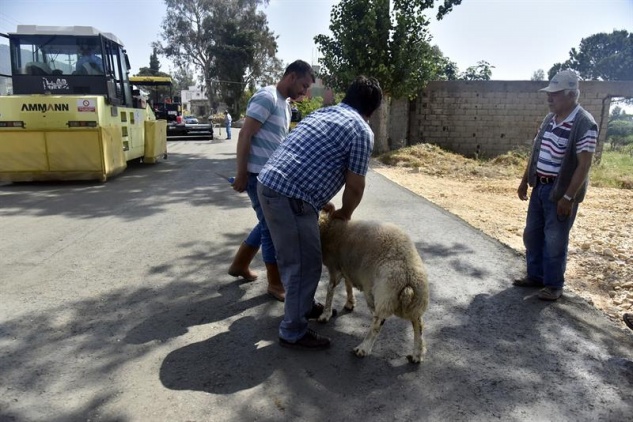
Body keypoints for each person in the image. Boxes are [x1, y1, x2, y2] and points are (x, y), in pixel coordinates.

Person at [257, 75, 383, 350]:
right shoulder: (361, 130)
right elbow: (355, 185)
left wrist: (318, 198)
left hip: (268, 184)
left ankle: (303, 306)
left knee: (295, 259)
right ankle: (292, 330)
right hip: (291, 197)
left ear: (348, 97)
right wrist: (345, 213)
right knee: (305, 264)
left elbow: (306, 156)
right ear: (372, 110)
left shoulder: (324, 113)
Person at [228, 60, 315, 302]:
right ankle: (275, 284)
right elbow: (245, 134)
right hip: (257, 176)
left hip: (272, 178)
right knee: (270, 228)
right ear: (292, 76)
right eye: (304, 85)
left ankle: (239, 265)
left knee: (267, 222)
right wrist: (242, 173)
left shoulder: (285, 105)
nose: (304, 92)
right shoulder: (267, 97)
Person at [514, 70, 598, 301]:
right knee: (532, 235)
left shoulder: (584, 123)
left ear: (571, 95)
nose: (549, 98)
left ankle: (553, 285)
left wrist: (568, 197)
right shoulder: (549, 119)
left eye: (555, 94)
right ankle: (535, 276)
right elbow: (536, 152)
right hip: (540, 186)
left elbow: (584, 165)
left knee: (555, 240)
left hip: (560, 192)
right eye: (549, 94)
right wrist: (525, 181)